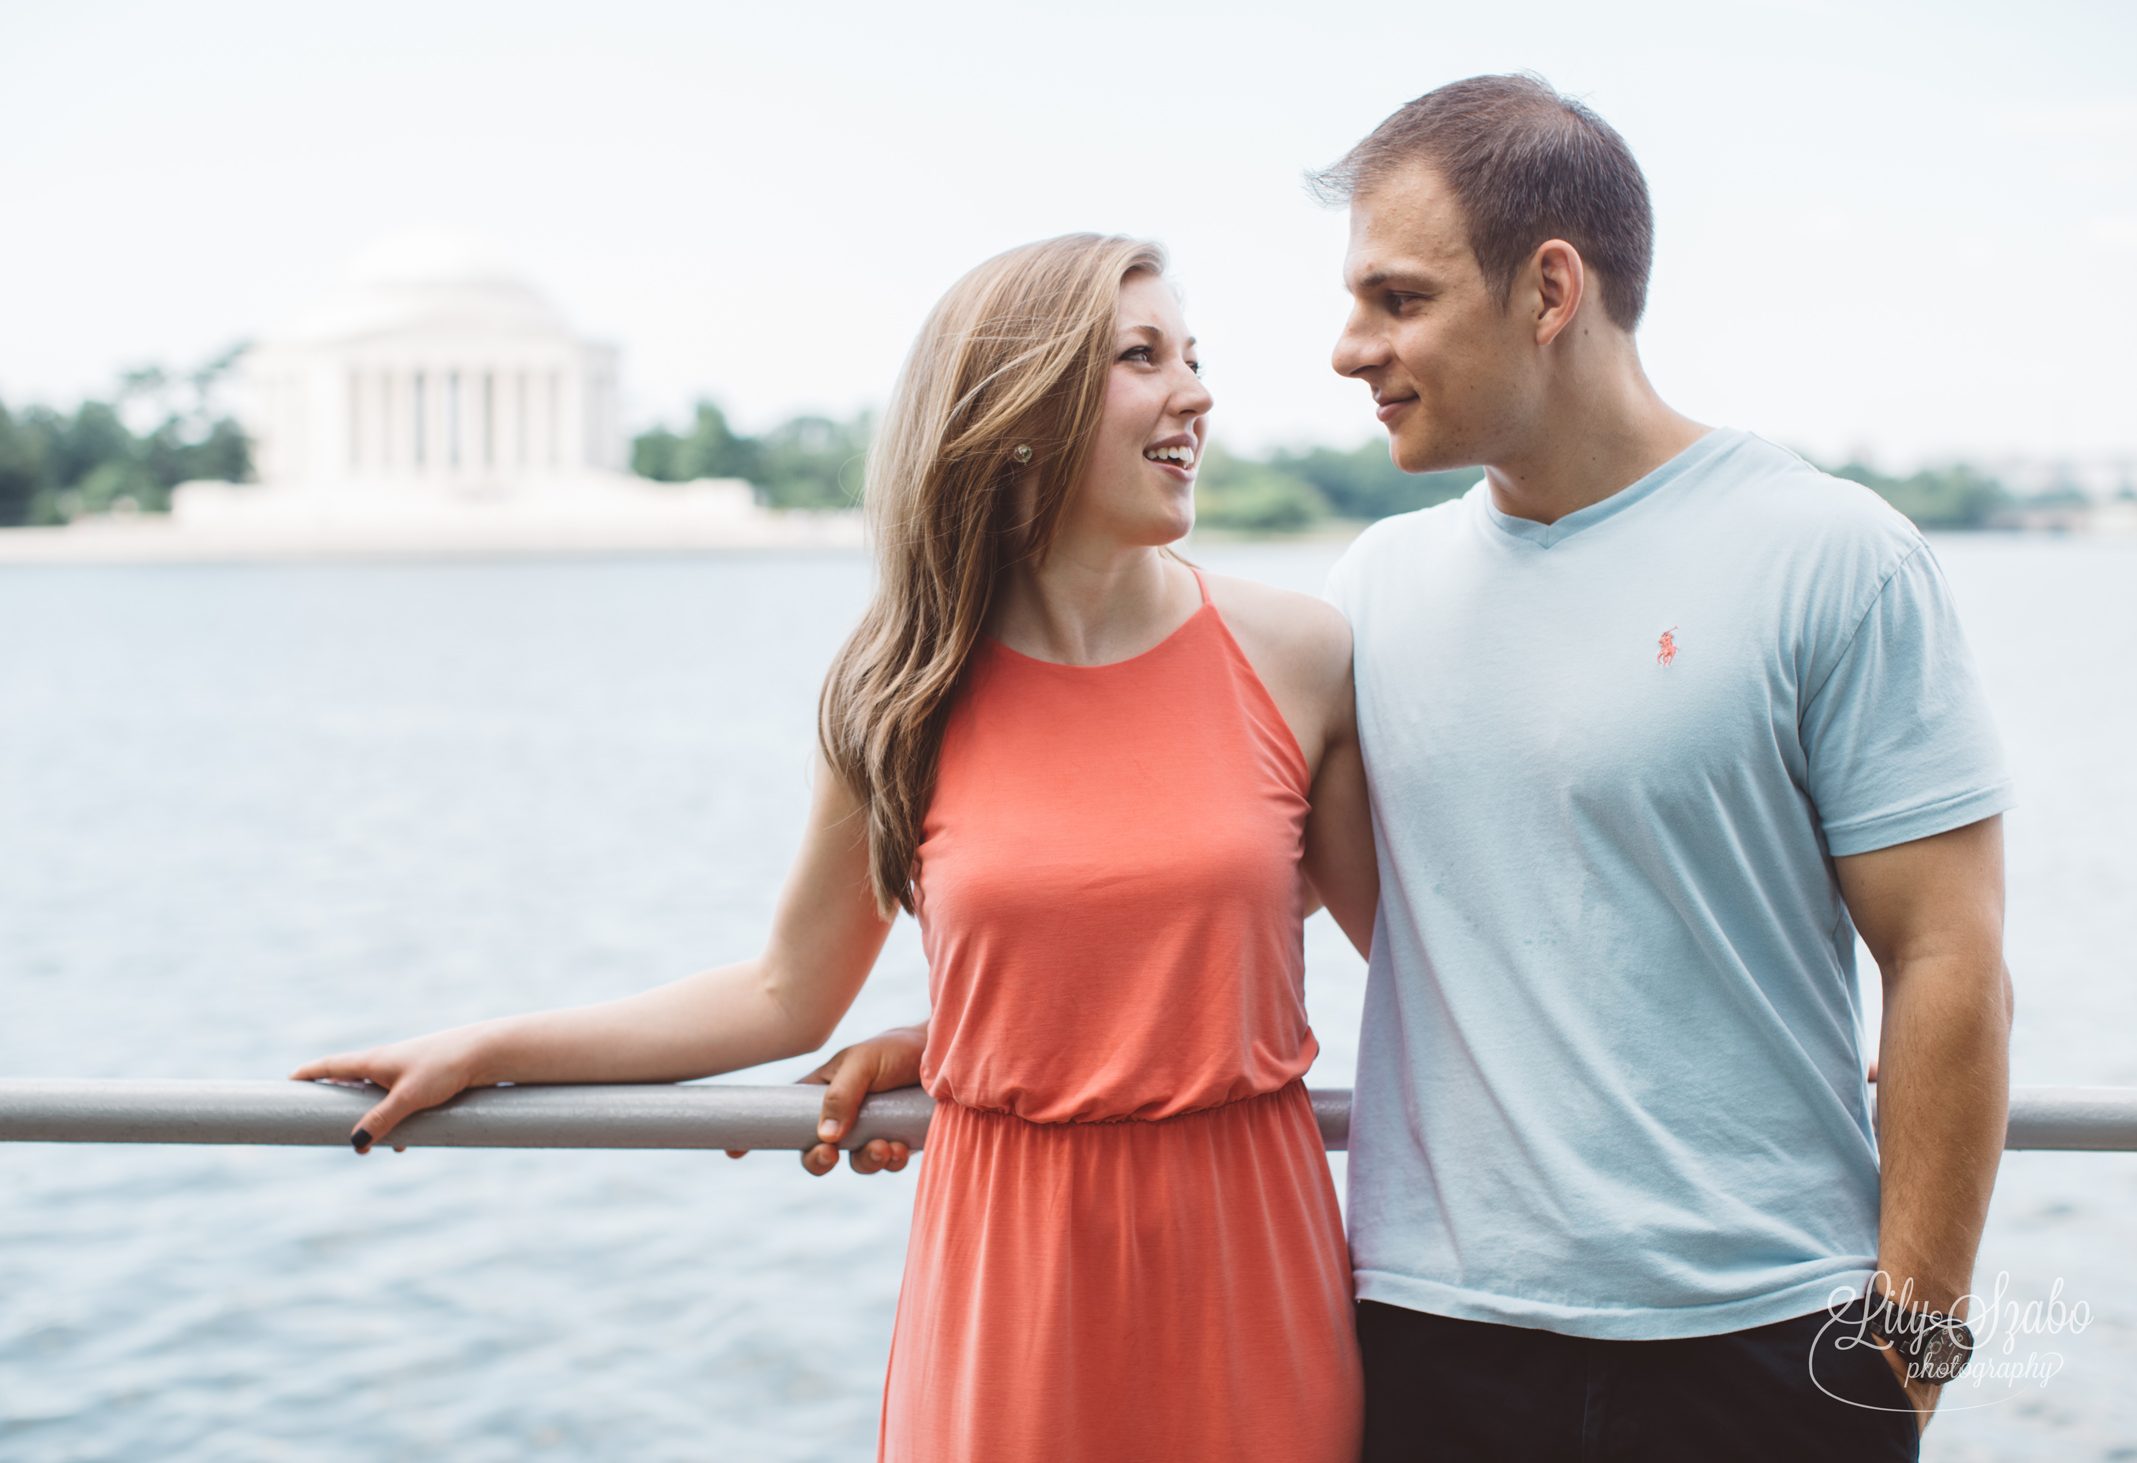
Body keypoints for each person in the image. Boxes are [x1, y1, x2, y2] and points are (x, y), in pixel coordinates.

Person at [813, 77, 2015, 1462]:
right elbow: (1217, 882)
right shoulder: (1375, 594)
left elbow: (1948, 960)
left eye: (1396, 299)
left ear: (1547, 291)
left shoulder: (1830, 555)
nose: (1345, 348)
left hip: (1761, 1340)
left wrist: (1907, 1361)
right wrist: (1003, 1030)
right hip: (1435, 1339)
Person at [293, 233, 1376, 1463]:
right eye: (1143, 356)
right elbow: (781, 995)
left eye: (1192, 354)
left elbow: (1426, 967)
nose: (1197, 391)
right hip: (1008, 1267)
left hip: (1247, 1248)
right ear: (1017, 410)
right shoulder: (898, 692)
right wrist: (488, 1046)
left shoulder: (1299, 656)